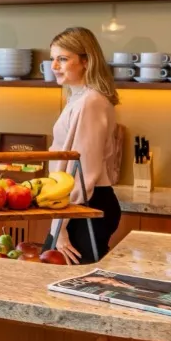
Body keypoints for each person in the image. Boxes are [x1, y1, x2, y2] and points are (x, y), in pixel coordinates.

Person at [47, 27, 123, 265]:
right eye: (53, 59)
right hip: (80, 205)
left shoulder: (91, 102)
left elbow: (83, 172)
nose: (54, 66)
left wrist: (60, 223)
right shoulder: (79, 97)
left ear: (86, 61)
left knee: (70, 289)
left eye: (63, 59)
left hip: (85, 205)